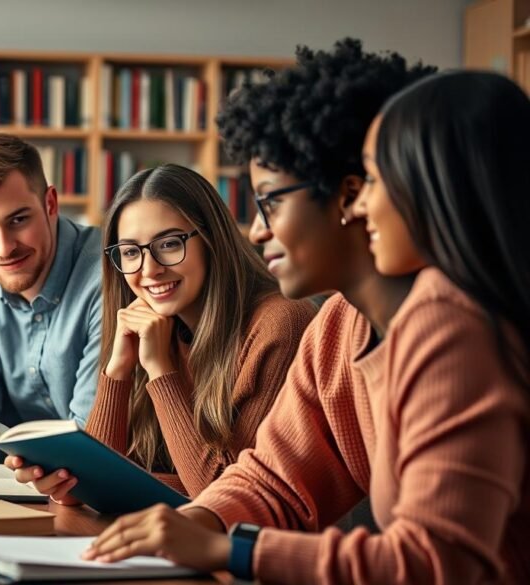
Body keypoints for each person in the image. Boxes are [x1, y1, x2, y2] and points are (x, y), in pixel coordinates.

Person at [81, 39, 497, 584]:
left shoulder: (452, 334)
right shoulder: (336, 327)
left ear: (348, 197)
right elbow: (273, 479)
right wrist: (194, 523)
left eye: (271, 202)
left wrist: (230, 550)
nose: (256, 230)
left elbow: (436, 563)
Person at [5, 164, 315, 502]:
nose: (149, 270)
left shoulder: (281, 324)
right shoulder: (155, 326)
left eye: (168, 244)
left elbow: (225, 497)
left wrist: (159, 369)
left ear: (211, 239)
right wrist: (118, 370)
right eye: (130, 252)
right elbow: (90, 486)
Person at [351, 70, 529, 582]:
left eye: (373, 179)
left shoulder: (452, 318)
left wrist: (235, 551)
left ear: (435, 183)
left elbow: (432, 562)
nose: (359, 205)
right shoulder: (477, 306)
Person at [0, 132, 102, 463]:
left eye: (18, 220)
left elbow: (93, 431)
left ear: (50, 204)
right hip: (25, 477)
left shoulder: (110, 275)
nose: (4, 248)